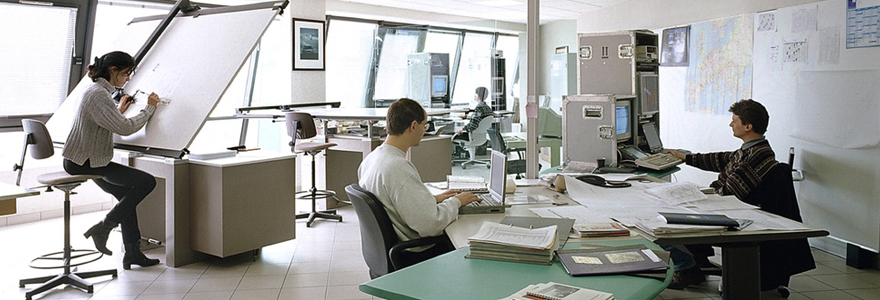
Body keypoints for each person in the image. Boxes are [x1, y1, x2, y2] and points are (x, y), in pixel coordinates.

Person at [662, 99, 777, 289]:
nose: (731, 124)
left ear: (748, 126)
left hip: (732, 216)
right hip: (729, 208)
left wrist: (693, 196)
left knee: (662, 225)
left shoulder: (755, 157)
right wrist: (686, 157)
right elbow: (721, 159)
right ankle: (698, 259)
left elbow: (728, 193)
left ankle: (687, 269)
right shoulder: (753, 149)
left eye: (734, 120)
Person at [62, 51, 161, 270]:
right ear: (113, 70)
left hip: (81, 159)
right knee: (147, 182)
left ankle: (132, 253)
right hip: (86, 162)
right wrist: (150, 107)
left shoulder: (96, 91)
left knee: (126, 197)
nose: (128, 79)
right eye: (126, 73)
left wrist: (118, 110)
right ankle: (104, 228)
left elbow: (103, 120)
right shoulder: (99, 94)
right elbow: (124, 128)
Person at [358, 98, 481, 264]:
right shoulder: (398, 167)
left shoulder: (372, 158)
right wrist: (456, 202)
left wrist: (431, 201)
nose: (424, 131)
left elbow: (392, 202)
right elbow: (430, 224)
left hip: (392, 250)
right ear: (413, 126)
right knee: (471, 241)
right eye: (425, 125)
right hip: (415, 253)